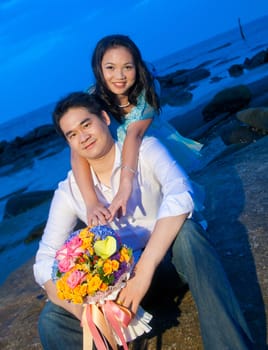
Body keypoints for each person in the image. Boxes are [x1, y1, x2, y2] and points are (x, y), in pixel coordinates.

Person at [34, 92, 253, 350]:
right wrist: (84, 312)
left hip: (168, 265)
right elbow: (45, 260)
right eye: (72, 134)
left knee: (189, 234)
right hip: (117, 293)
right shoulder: (70, 191)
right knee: (51, 320)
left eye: (86, 124)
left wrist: (143, 271)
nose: (83, 137)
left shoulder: (144, 149)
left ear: (104, 118)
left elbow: (181, 193)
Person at [71, 34, 204, 228]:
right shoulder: (91, 99)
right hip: (117, 153)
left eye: (127, 67)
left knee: (166, 187)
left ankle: (187, 221)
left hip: (148, 143)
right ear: (98, 69)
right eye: (110, 68)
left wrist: (125, 185)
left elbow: (135, 135)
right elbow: (78, 152)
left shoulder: (147, 88)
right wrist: (91, 202)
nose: (120, 76)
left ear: (137, 67)